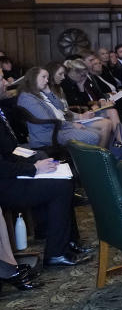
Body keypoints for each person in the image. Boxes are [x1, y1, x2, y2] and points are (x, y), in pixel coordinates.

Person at [0, 103, 86, 267]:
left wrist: (34, 163)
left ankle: (69, 243)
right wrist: (34, 168)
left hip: (9, 176)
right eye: (2, 79)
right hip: (4, 185)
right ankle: (56, 253)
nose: (6, 83)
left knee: (64, 178)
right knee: (60, 187)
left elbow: (8, 153)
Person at [42, 61, 120, 154]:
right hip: (67, 122)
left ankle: (114, 148)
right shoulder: (58, 87)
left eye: (64, 74)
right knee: (105, 125)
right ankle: (99, 157)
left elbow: (65, 109)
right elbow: (61, 112)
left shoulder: (59, 88)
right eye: (60, 74)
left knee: (109, 119)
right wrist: (78, 118)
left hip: (75, 116)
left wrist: (82, 116)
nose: (63, 77)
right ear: (51, 74)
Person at [16, 67, 103, 149]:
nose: (47, 80)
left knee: (98, 134)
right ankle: (86, 163)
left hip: (57, 128)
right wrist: (71, 125)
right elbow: (47, 121)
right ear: (33, 77)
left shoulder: (39, 92)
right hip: (47, 135)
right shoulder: (27, 97)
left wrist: (48, 92)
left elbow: (61, 107)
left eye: (47, 78)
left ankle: (96, 160)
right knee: (93, 137)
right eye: (43, 77)